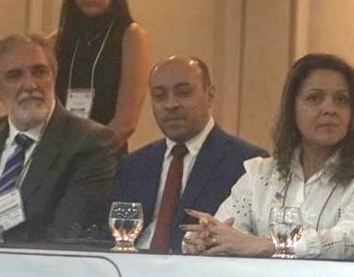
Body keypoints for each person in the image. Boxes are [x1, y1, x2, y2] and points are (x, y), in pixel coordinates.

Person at [183, 53, 354, 259]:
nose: (330, 109)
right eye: (315, 98)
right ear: (292, 109)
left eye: (341, 100)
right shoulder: (259, 174)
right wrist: (203, 239)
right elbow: (226, 231)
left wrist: (270, 246)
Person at [0, 33, 119, 243]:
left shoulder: (91, 143)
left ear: (54, 78)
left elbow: (69, 234)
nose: (30, 85)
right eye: (14, 76)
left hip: (34, 263)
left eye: (40, 72)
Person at [110, 56, 267, 253]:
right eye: (159, 96)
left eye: (183, 93)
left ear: (210, 95)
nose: (170, 104)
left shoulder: (245, 164)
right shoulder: (133, 165)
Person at [54, 0, 150, 148]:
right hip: (58, 152)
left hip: (105, 154)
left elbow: (126, 122)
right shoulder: (58, 40)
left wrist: (86, 157)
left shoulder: (131, 36)